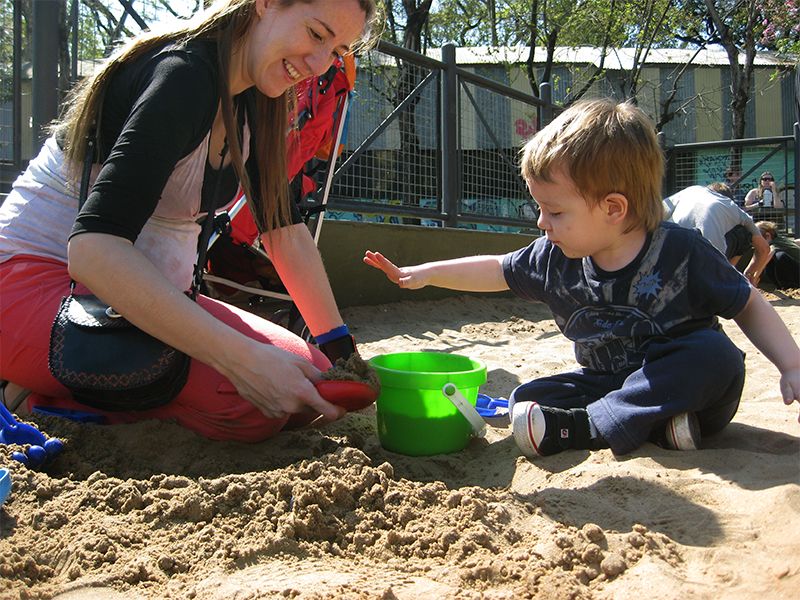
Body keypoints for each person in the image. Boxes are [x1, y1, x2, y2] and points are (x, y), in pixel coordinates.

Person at [0, 0, 380, 441]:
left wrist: (341, 356)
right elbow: (92, 250)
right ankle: (34, 400)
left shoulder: (259, 97)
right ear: (266, 4)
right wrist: (241, 360)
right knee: (248, 404)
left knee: (308, 377)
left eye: (337, 52)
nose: (318, 64)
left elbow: (284, 230)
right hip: (33, 283)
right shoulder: (185, 73)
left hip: (127, 301)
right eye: (316, 34)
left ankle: (77, 389)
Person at [364, 99, 800, 459]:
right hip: (607, 383)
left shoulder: (682, 252)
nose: (541, 223)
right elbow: (497, 268)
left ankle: (589, 427)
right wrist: (425, 274)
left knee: (715, 356)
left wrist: (792, 366)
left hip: (686, 385)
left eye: (555, 211)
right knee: (525, 398)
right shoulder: (556, 257)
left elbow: (748, 302)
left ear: (613, 208)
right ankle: (659, 429)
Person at [663, 182, 771, 286]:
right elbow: (764, 249)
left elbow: (658, 211)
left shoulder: (692, 190)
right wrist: (750, 274)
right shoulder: (732, 207)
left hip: (668, 256)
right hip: (708, 267)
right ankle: (728, 279)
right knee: (744, 233)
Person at [755, 221, 800, 289]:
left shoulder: (774, 244)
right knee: (772, 260)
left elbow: (764, 261)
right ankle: (781, 286)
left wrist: (754, 277)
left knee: (780, 256)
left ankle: (790, 286)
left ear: (768, 236)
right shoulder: (781, 240)